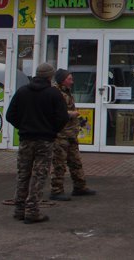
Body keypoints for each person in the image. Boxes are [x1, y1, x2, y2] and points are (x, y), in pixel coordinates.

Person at [5, 63, 69, 224]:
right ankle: (32, 210)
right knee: (39, 175)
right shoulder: (53, 94)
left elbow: (10, 115)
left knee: (23, 174)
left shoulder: (22, 91)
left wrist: (23, 126)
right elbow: (62, 117)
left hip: (26, 139)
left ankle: (19, 209)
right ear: (50, 76)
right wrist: (52, 130)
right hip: (45, 141)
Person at [49, 69, 96, 201]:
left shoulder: (67, 92)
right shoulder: (56, 93)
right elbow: (54, 112)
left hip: (71, 133)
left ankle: (80, 187)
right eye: (69, 79)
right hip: (61, 134)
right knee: (59, 163)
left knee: (75, 161)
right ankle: (56, 190)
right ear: (62, 80)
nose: (72, 81)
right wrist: (71, 114)